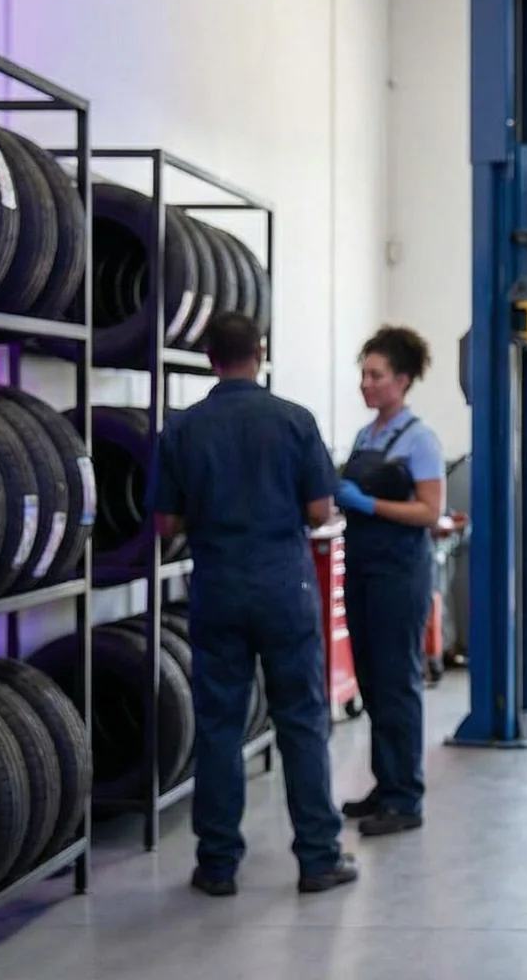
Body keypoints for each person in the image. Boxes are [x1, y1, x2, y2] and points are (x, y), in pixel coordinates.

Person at [146, 311, 359, 896]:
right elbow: (320, 511)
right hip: (283, 587)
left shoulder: (182, 429)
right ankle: (318, 858)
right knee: (301, 721)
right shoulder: (294, 421)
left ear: (210, 357)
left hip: (216, 587)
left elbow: (166, 522)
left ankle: (217, 865)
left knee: (219, 726)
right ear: (259, 353)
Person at [332, 325, 447, 837]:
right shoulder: (366, 436)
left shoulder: (419, 439)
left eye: (375, 375)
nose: (366, 384)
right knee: (373, 683)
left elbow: (429, 512)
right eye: (363, 374)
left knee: (398, 684)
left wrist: (368, 504)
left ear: (401, 380)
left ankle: (406, 799)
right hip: (361, 568)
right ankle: (385, 783)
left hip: (400, 574)